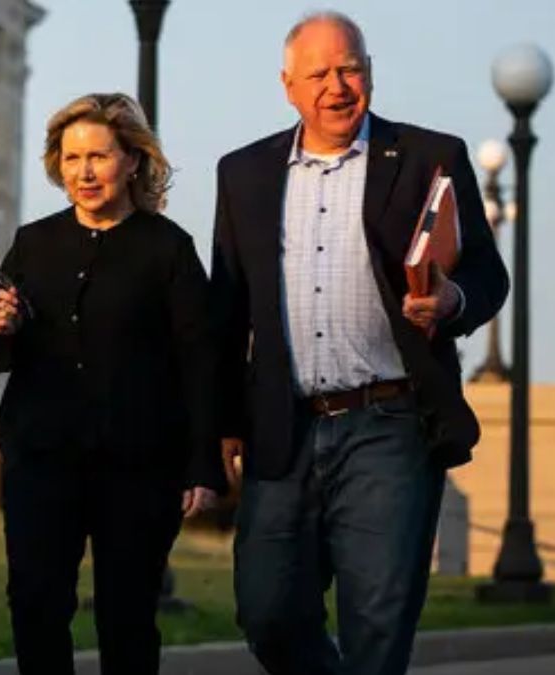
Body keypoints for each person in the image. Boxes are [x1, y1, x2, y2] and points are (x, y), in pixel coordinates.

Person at [210, 11, 509, 675]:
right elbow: (228, 311)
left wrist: (453, 300)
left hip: (391, 423)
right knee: (266, 610)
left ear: (369, 74)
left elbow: (487, 272)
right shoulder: (244, 173)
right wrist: (224, 422)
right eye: (319, 73)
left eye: (351, 69)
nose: (338, 86)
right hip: (282, 430)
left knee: (377, 620)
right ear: (289, 85)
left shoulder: (431, 156)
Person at [0, 93, 225, 674]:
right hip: (40, 456)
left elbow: (200, 362)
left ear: (132, 160)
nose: (84, 172)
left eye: (99, 156)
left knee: (127, 614)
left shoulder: (168, 249)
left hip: (138, 464)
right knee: (35, 601)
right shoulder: (34, 243)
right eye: (71, 158)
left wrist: (202, 464)